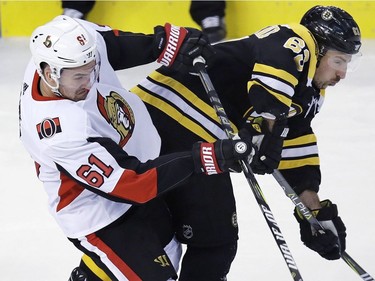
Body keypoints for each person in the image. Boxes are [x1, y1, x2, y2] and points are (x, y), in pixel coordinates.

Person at [19, 15, 254, 281]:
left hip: (138, 160)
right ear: (49, 74)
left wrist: (165, 44)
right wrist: (207, 157)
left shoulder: (66, 48)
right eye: (80, 76)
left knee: (173, 250)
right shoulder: (60, 133)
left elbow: (111, 46)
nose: (90, 82)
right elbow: (132, 183)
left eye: (92, 69)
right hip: (98, 212)